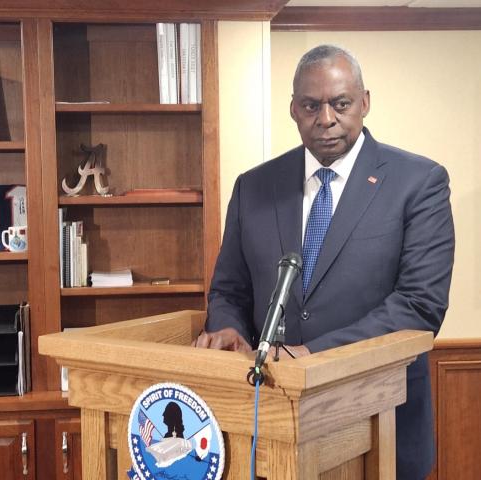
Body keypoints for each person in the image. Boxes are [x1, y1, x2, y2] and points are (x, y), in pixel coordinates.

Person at [193, 44, 454, 480]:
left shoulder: (418, 182)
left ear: (365, 103)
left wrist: (310, 355)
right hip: (269, 426)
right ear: (294, 109)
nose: (326, 119)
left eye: (341, 104)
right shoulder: (254, 186)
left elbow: (419, 307)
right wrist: (229, 331)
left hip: (378, 423)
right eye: (312, 106)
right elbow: (230, 290)